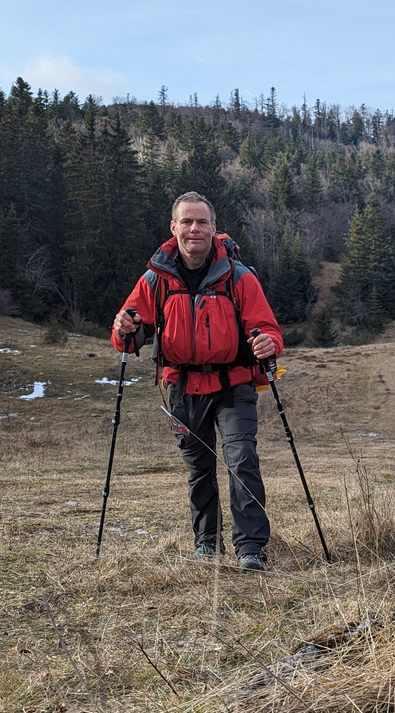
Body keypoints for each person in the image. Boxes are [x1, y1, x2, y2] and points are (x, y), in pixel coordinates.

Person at [112, 192, 283, 572]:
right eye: (186, 222)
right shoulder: (155, 279)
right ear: (173, 229)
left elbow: (269, 330)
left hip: (234, 383)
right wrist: (124, 327)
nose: (194, 229)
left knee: (241, 459)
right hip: (181, 386)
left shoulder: (238, 277)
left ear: (214, 228)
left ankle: (251, 549)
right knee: (199, 467)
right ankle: (207, 543)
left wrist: (269, 342)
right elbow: (128, 332)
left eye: (201, 222)